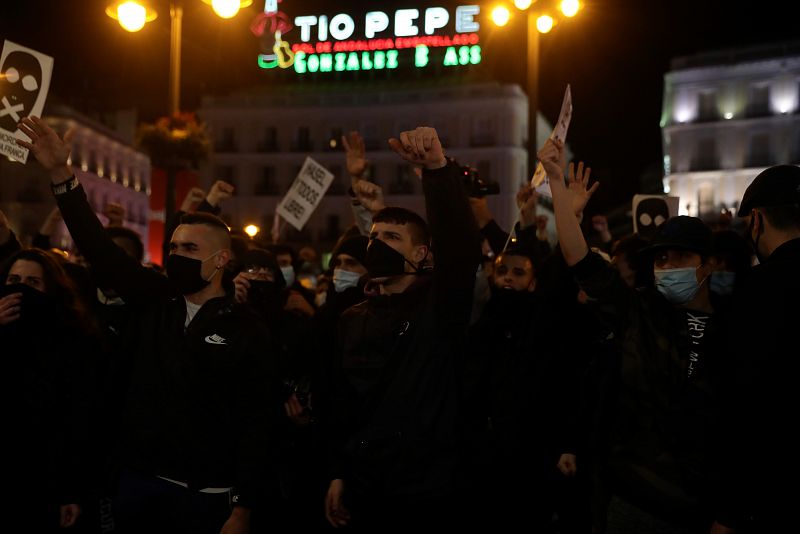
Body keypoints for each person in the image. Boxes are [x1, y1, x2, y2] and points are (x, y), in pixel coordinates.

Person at [17, 115, 282, 534]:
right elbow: (99, 249)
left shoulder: (248, 330)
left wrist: (244, 507)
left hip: (206, 498)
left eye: (190, 248)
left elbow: (257, 423)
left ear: (221, 261)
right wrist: (61, 174)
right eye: (174, 246)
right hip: (136, 486)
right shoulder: (155, 300)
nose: (177, 254)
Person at [540, 138, 728, 534]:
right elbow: (580, 259)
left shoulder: (734, 326)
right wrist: (557, 185)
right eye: (661, 258)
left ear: (709, 265)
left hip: (700, 508)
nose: (667, 265)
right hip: (632, 501)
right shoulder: (639, 311)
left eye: (680, 257)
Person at [323, 126, 482, 531]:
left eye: (392, 237)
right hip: (364, 486)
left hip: (428, 492)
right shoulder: (352, 318)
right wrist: (338, 471)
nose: (379, 244)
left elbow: (461, 248)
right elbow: (343, 405)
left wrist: (436, 171)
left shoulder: (439, 309)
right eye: (375, 237)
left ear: (421, 253)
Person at [713, 164, 800, 533]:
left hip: (771, 496)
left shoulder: (756, 291)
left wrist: (728, 511)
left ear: (758, 220)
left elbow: (744, 402)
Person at [0, 247, 100, 531]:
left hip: (42, 479)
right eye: (13, 279)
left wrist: (72, 491)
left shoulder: (73, 342)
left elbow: (78, 421)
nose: (20, 288)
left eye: (32, 283)